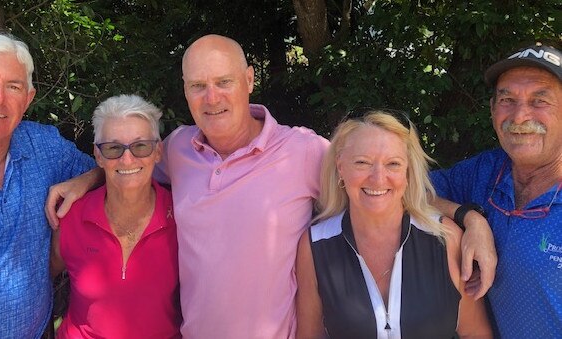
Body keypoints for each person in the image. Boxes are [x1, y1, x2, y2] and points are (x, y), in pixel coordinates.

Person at [45, 34, 496, 338]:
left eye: (223, 82)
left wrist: (467, 217)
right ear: (184, 91)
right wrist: (89, 175)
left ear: (248, 80)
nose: (212, 97)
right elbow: (132, 157)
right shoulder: (178, 149)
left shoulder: (301, 150)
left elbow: (380, 178)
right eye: (198, 86)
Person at [296, 111, 492, 338]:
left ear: (408, 171)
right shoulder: (315, 245)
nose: (378, 178)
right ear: (341, 167)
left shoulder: (446, 239)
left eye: (393, 164)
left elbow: (476, 333)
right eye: (362, 162)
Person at [0, 33, 96, 337]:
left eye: (14, 86)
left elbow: (112, 170)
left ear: (28, 99)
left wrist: (86, 180)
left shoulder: (42, 146)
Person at [431, 44, 562, 337]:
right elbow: (401, 188)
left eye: (540, 101)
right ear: (492, 110)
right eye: (507, 99)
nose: (518, 116)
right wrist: (469, 217)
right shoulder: (484, 173)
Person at [51, 94, 181, 338]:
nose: (127, 158)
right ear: (98, 155)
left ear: (158, 151)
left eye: (141, 146)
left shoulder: (181, 219)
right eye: (113, 148)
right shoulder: (71, 218)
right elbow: (39, 280)